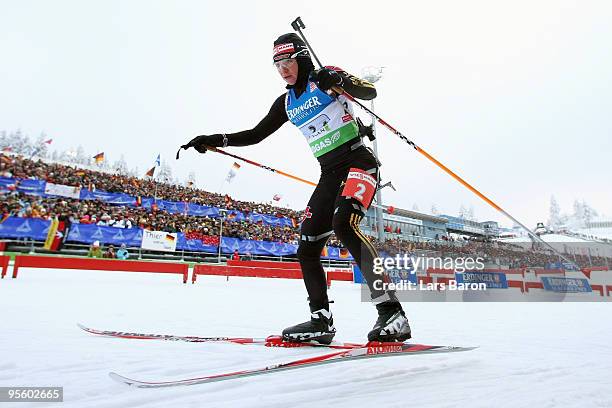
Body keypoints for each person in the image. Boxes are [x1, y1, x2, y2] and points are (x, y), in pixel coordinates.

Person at [181, 33, 410, 344]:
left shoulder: (324, 79)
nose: (283, 69)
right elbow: (255, 134)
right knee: (308, 246)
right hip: (329, 173)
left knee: (344, 224)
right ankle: (320, 321)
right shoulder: (287, 103)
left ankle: (392, 313)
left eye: (287, 62)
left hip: (359, 162)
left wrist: (339, 79)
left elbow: (369, 91)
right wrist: (214, 139)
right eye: (277, 64)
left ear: (301, 59)